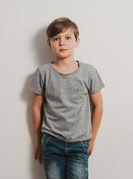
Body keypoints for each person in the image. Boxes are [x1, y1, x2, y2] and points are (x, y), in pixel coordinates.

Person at [30, 17, 105, 179]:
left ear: (77, 41)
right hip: (51, 140)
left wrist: (93, 138)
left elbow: (98, 106)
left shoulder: (89, 72)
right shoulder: (43, 72)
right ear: (49, 44)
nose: (62, 43)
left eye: (67, 37)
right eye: (56, 39)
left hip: (80, 142)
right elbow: (36, 108)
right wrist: (38, 141)